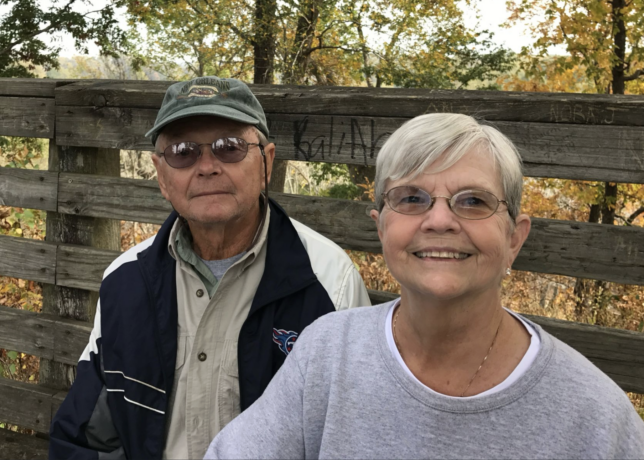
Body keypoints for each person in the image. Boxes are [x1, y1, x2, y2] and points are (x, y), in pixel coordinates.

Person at [205, 113, 644, 459]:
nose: (439, 220)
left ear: (515, 238)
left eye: (474, 201)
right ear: (381, 228)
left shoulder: (594, 415)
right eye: (411, 198)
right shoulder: (327, 354)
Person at [49, 76, 371, 459]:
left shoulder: (329, 281)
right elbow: (86, 436)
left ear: (266, 162)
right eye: (182, 151)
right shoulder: (125, 281)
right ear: (161, 175)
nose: (206, 167)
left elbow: (357, 434)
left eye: (229, 147)